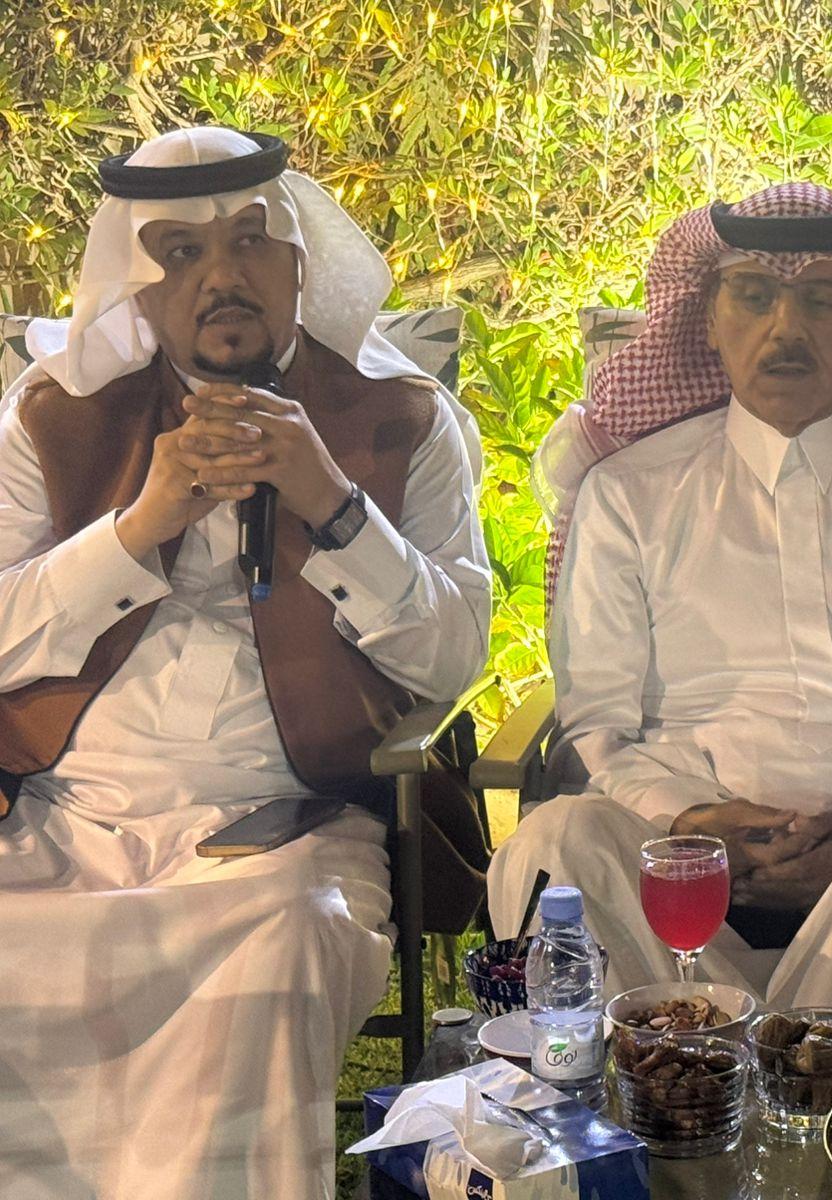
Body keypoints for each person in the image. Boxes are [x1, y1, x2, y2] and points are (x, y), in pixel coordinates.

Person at [0, 127, 491, 1199]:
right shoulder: (51, 417)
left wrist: (335, 505)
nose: (220, 277)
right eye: (179, 252)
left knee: (285, 948)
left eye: (250, 243)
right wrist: (138, 528)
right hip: (65, 823)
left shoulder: (404, 418)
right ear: (140, 286)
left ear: (301, 263)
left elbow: (455, 656)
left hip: (285, 833)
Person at [488, 183, 832, 1009]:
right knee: (553, 843)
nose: (787, 328)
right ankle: (646, 1080)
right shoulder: (629, 494)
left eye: (823, 298)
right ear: (708, 320)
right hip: (677, 880)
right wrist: (690, 820)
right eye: (753, 295)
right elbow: (598, 725)